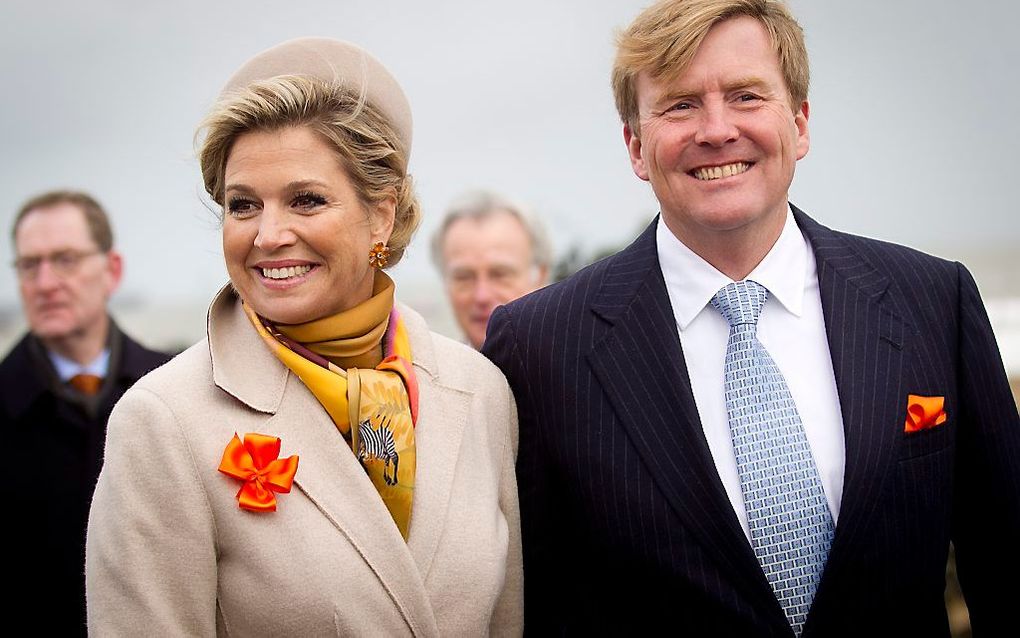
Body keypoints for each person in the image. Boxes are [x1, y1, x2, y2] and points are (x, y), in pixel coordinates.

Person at [482, 0, 1019, 635]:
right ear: (634, 144)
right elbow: (533, 607)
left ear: (801, 122)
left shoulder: (932, 299)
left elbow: (1006, 562)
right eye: (680, 104)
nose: (716, 129)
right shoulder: (539, 345)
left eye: (746, 96)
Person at [85, 38, 522, 636]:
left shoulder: (478, 392)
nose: (267, 235)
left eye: (306, 200)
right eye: (243, 206)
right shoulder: (164, 422)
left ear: (382, 215)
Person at [2, 190, 170, 636]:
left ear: (111, 271)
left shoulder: (172, 389)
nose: (45, 282)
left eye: (65, 259)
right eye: (29, 265)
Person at [431, 191, 551, 349]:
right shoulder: (421, 372)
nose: (482, 296)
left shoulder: (578, 370)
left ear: (539, 278)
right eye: (464, 278)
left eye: (500, 275)